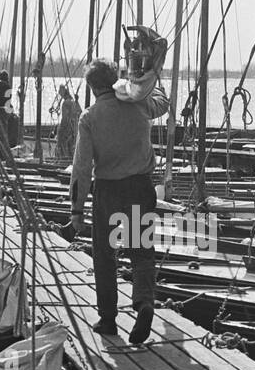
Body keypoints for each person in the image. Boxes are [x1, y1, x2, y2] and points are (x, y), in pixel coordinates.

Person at [69, 58, 170, 345]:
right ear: (114, 80)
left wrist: (77, 209)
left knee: (105, 256)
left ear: (91, 87)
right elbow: (163, 103)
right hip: (140, 186)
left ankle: (109, 320)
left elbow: (82, 167)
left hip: (108, 192)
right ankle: (144, 302)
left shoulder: (89, 117)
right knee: (141, 250)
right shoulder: (138, 102)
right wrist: (145, 77)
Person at [54, 83, 79, 159]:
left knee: (63, 147)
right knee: (70, 148)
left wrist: (60, 131)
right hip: (73, 130)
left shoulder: (66, 103)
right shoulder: (73, 102)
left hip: (67, 130)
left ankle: (63, 159)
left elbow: (65, 119)